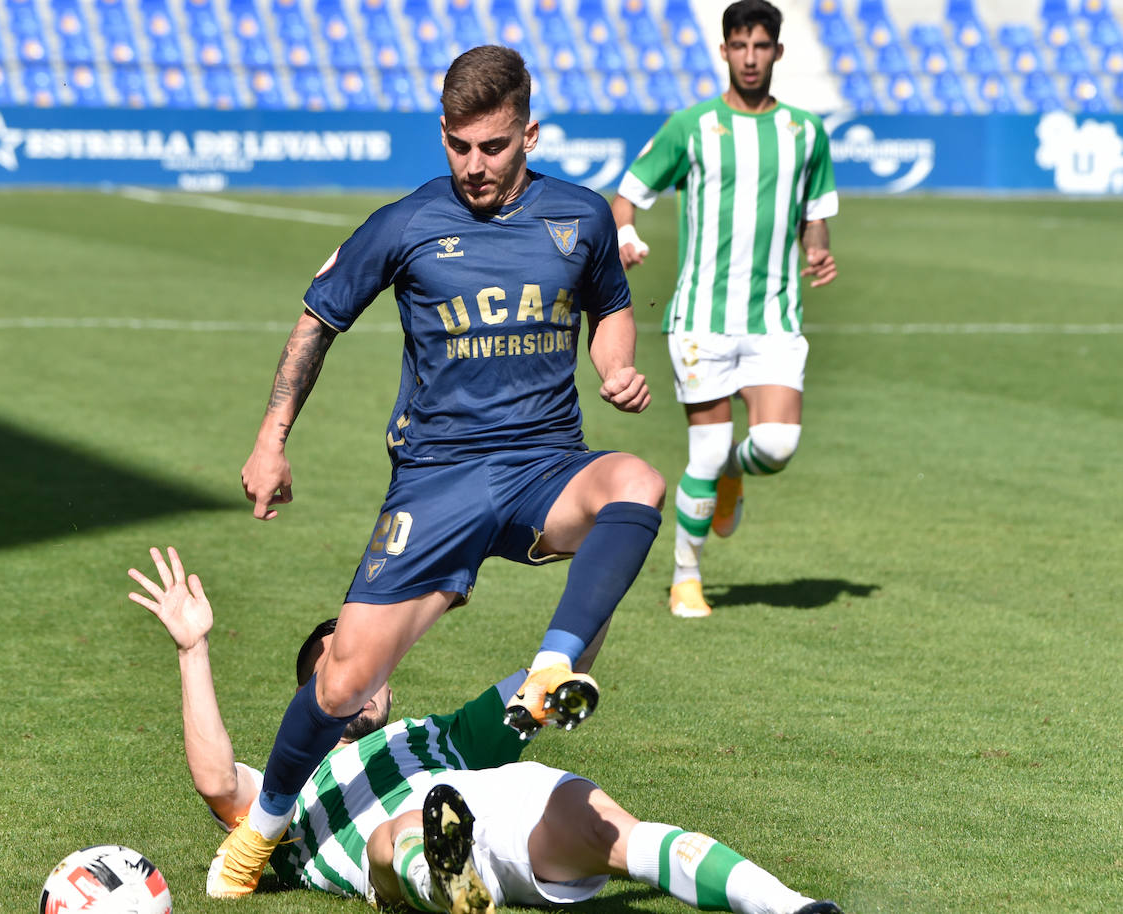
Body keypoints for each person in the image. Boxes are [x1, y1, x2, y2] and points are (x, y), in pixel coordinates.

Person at [233, 44, 668, 898]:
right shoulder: (405, 223)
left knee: (639, 482)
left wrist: (615, 366)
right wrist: (271, 438)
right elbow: (319, 319)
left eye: (494, 147)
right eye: (459, 147)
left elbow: (611, 306)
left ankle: (554, 667)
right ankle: (263, 829)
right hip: (436, 483)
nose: (474, 166)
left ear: (529, 135)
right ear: (442, 134)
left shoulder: (580, 217)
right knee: (345, 679)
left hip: (546, 468)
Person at [128, 545, 844, 914]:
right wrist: (194, 651)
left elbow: (560, 666)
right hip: (395, 867)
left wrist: (605, 573)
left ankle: (790, 906)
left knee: (613, 833)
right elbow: (219, 782)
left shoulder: (440, 734)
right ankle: (451, 883)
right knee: (399, 834)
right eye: (336, 668)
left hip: (491, 804)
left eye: (368, 666)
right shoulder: (290, 787)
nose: (358, 679)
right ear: (308, 694)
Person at [610, 0, 838, 619]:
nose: (750, 58)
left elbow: (815, 211)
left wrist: (818, 253)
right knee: (704, 454)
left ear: (777, 53)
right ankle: (687, 576)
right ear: (724, 51)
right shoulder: (692, 126)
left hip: (774, 320)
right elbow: (626, 197)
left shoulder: (807, 132)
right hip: (702, 320)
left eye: (761, 46)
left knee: (777, 444)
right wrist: (627, 238)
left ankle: (736, 476)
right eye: (739, 46)